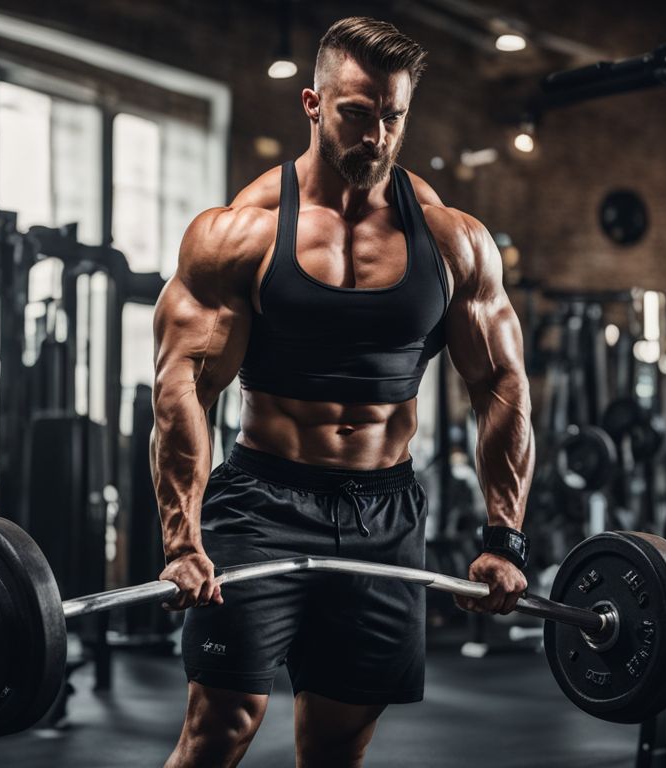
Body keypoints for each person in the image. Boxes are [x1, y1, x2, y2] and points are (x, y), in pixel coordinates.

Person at [150, 15, 534, 768]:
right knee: (218, 730)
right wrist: (181, 538)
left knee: (336, 747)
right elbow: (183, 386)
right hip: (263, 503)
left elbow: (500, 383)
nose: (379, 136)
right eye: (359, 114)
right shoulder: (243, 231)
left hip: (384, 511)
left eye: (394, 117)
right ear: (314, 104)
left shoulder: (453, 239)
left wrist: (503, 538)